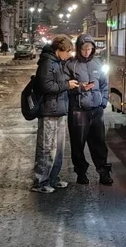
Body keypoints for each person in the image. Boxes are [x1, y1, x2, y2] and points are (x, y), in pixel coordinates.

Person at [32, 35, 79, 193]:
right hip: (49, 110)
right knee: (46, 147)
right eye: (68, 51)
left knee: (58, 148)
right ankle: (40, 181)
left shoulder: (58, 62)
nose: (69, 54)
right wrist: (67, 85)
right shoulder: (47, 63)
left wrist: (72, 85)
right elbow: (46, 86)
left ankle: (53, 178)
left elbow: (58, 83)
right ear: (59, 50)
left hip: (59, 109)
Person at [67, 34, 112, 185]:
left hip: (96, 110)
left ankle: (103, 172)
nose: (87, 52)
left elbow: (105, 83)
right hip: (78, 110)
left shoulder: (98, 63)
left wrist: (103, 102)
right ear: (78, 49)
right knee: (78, 144)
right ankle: (81, 173)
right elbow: (65, 87)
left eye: (89, 49)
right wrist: (80, 88)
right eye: (84, 49)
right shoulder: (71, 65)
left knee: (99, 143)